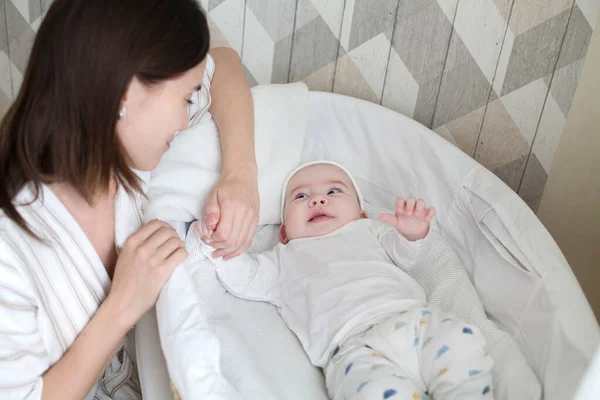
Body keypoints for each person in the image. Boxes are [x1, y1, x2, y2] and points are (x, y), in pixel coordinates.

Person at [0, 0, 258, 399]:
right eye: (185, 99)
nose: (186, 120)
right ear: (125, 91)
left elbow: (224, 64)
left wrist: (240, 178)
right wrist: (124, 304)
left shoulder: (119, 153)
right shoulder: (12, 252)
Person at [200, 161, 494, 400]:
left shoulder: (369, 231)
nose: (317, 199)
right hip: (352, 348)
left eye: (335, 191)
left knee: (460, 342)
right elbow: (245, 278)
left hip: (414, 322)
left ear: (362, 213)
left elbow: (408, 256)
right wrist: (219, 242)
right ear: (284, 232)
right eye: (300, 196)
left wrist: (413, 233)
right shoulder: (284, 258)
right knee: (371, 391)